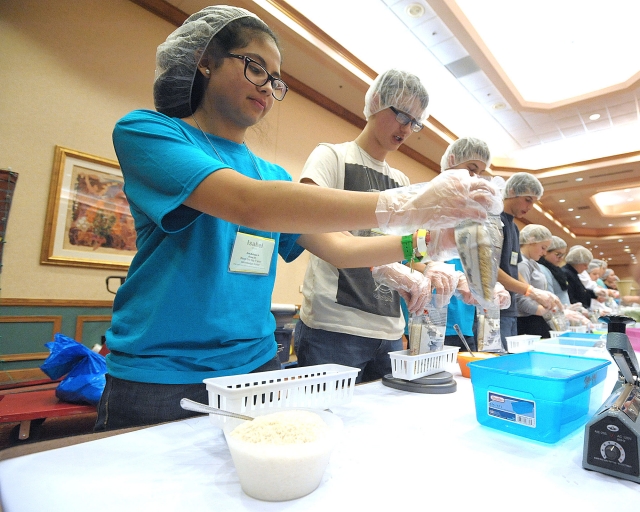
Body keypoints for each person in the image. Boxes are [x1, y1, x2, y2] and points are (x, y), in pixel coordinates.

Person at [96, 6, 497, 430]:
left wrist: (427, 244)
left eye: (276, 80)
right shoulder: (149, 132)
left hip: (255, 369)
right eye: (255, 67)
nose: (268, 87)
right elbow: (246, 203)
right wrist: (413, 203)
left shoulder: (272, 176)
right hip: (161, 374)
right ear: (205, 61)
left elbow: (340, 248)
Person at [295, 69, 452, 382]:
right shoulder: (332, 157)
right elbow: (306, 219)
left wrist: (429, 266)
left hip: (390, 330)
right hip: (334, 327)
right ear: (377, 102)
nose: (407, 129)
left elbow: (410, 250)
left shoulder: (401, 182)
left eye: (416, 123)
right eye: (403, 116)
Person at [495, 173, 561, 348]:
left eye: (533, 201)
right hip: (493, 308)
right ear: (511, 191)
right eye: (527, 199)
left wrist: (531, 291)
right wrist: (531, 291)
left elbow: (513, 269)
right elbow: (491, 270)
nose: (530, 206)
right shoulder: (495, 222)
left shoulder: (514, 228)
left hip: (510, 310)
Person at [516, 224, 557, 338]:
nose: (544, 253)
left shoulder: (533, 263)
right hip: (526, 321)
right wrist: (548, 312)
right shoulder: (522, 263)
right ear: (531, 241)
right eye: (543, 248)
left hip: (534, 318)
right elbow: (519, 299)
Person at [538, 235, 570, 305]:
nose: (561, 258)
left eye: (563, 255)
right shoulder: (542, 269)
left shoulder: (556, 270)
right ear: (546, 252)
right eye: (558, 254)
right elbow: (549, 297)